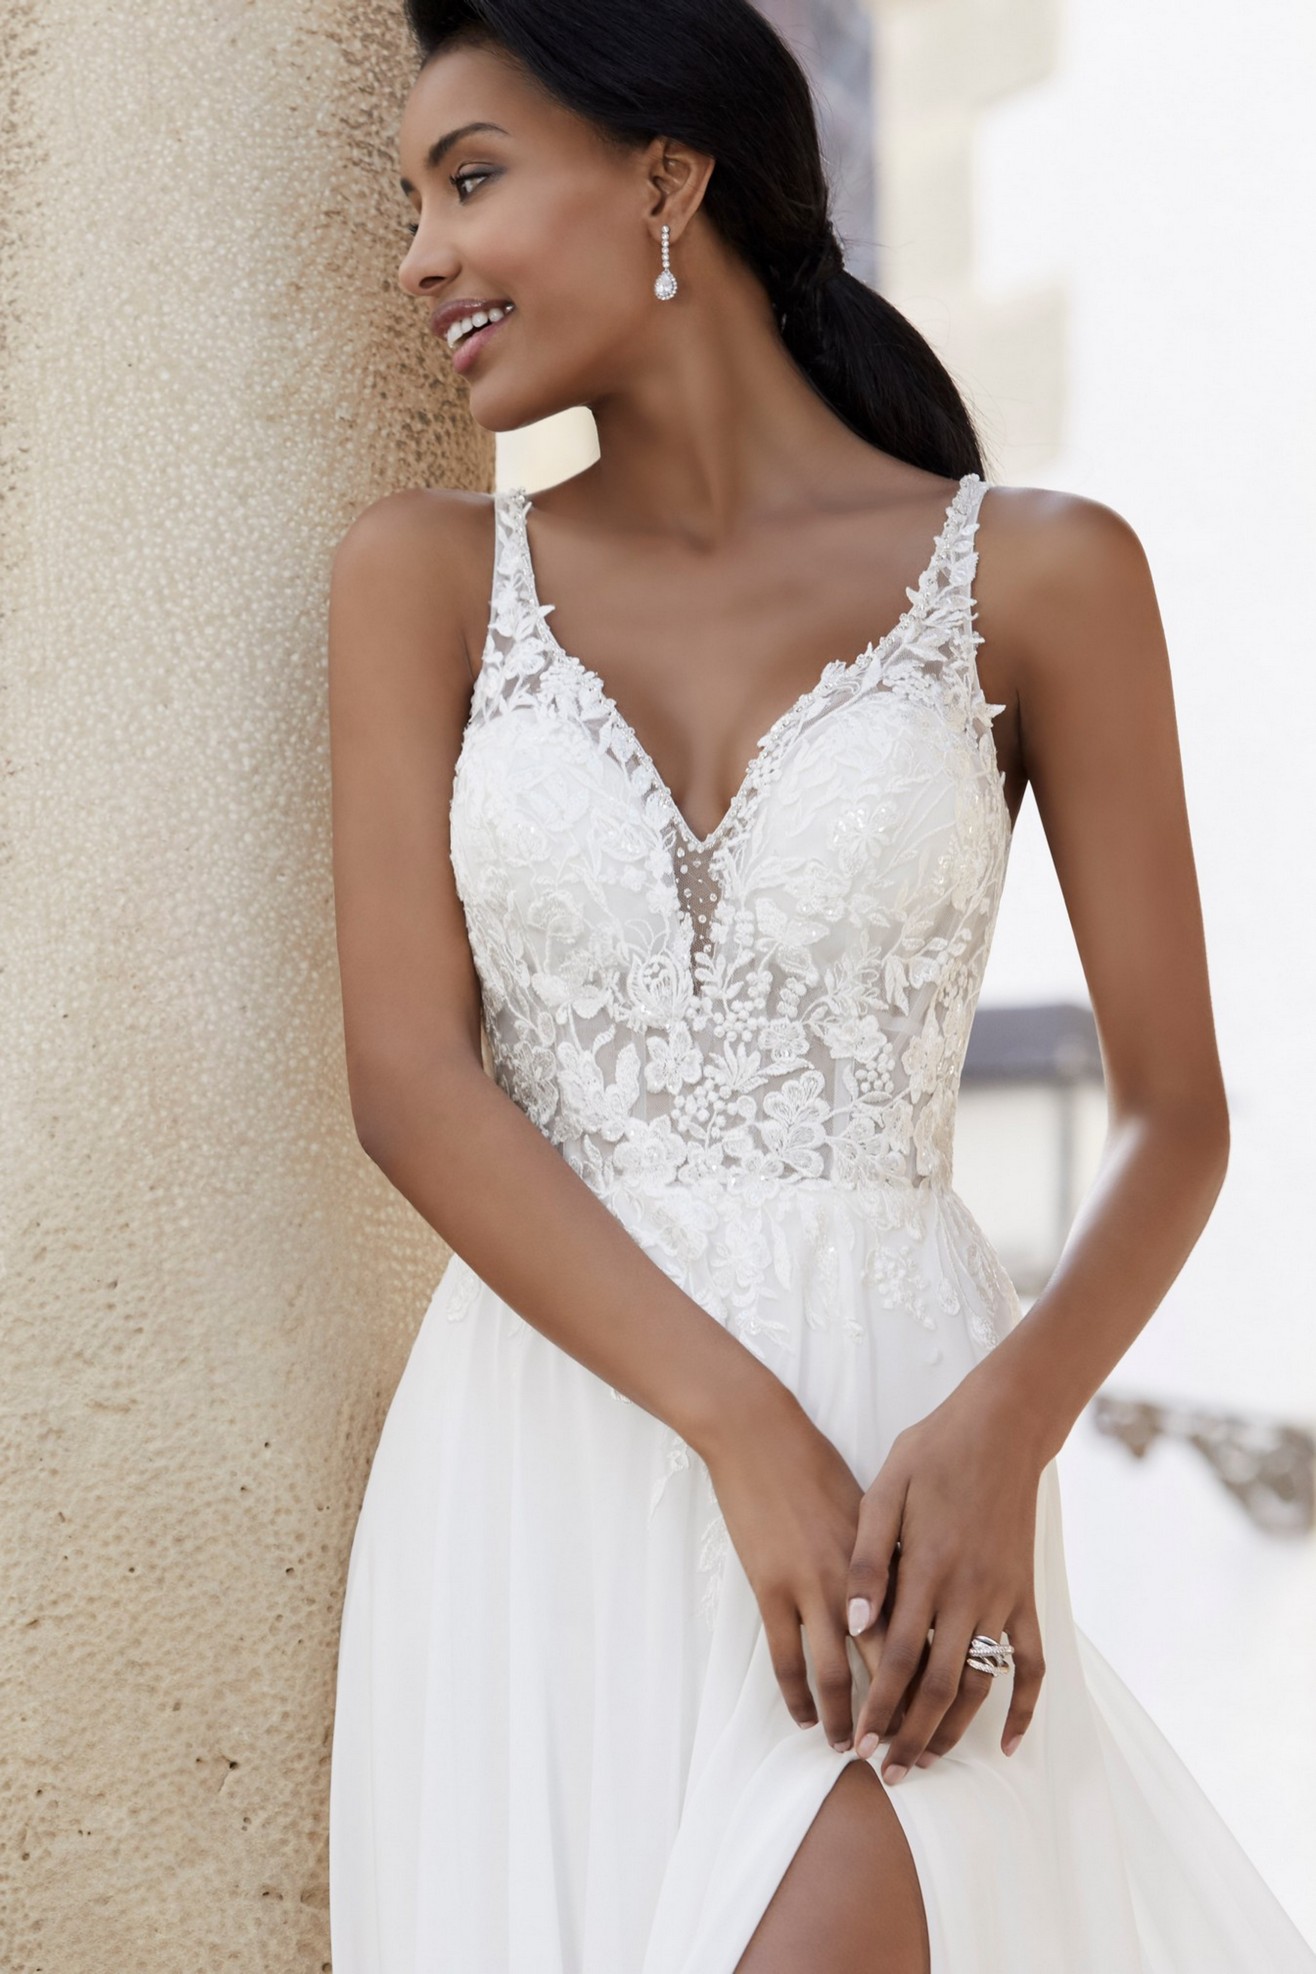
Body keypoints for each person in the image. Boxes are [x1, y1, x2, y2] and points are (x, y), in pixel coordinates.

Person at [324, 3, 1316, 1969]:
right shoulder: (421, 578)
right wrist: (734, 1427)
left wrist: (1006, 1427)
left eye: (470, 179)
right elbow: (412, 1082)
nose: (418, 253)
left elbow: (1176, 1113)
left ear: (668, 177)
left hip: (906, 1455)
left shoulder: (1041, 576)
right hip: (545, 1457)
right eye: (408, 203)